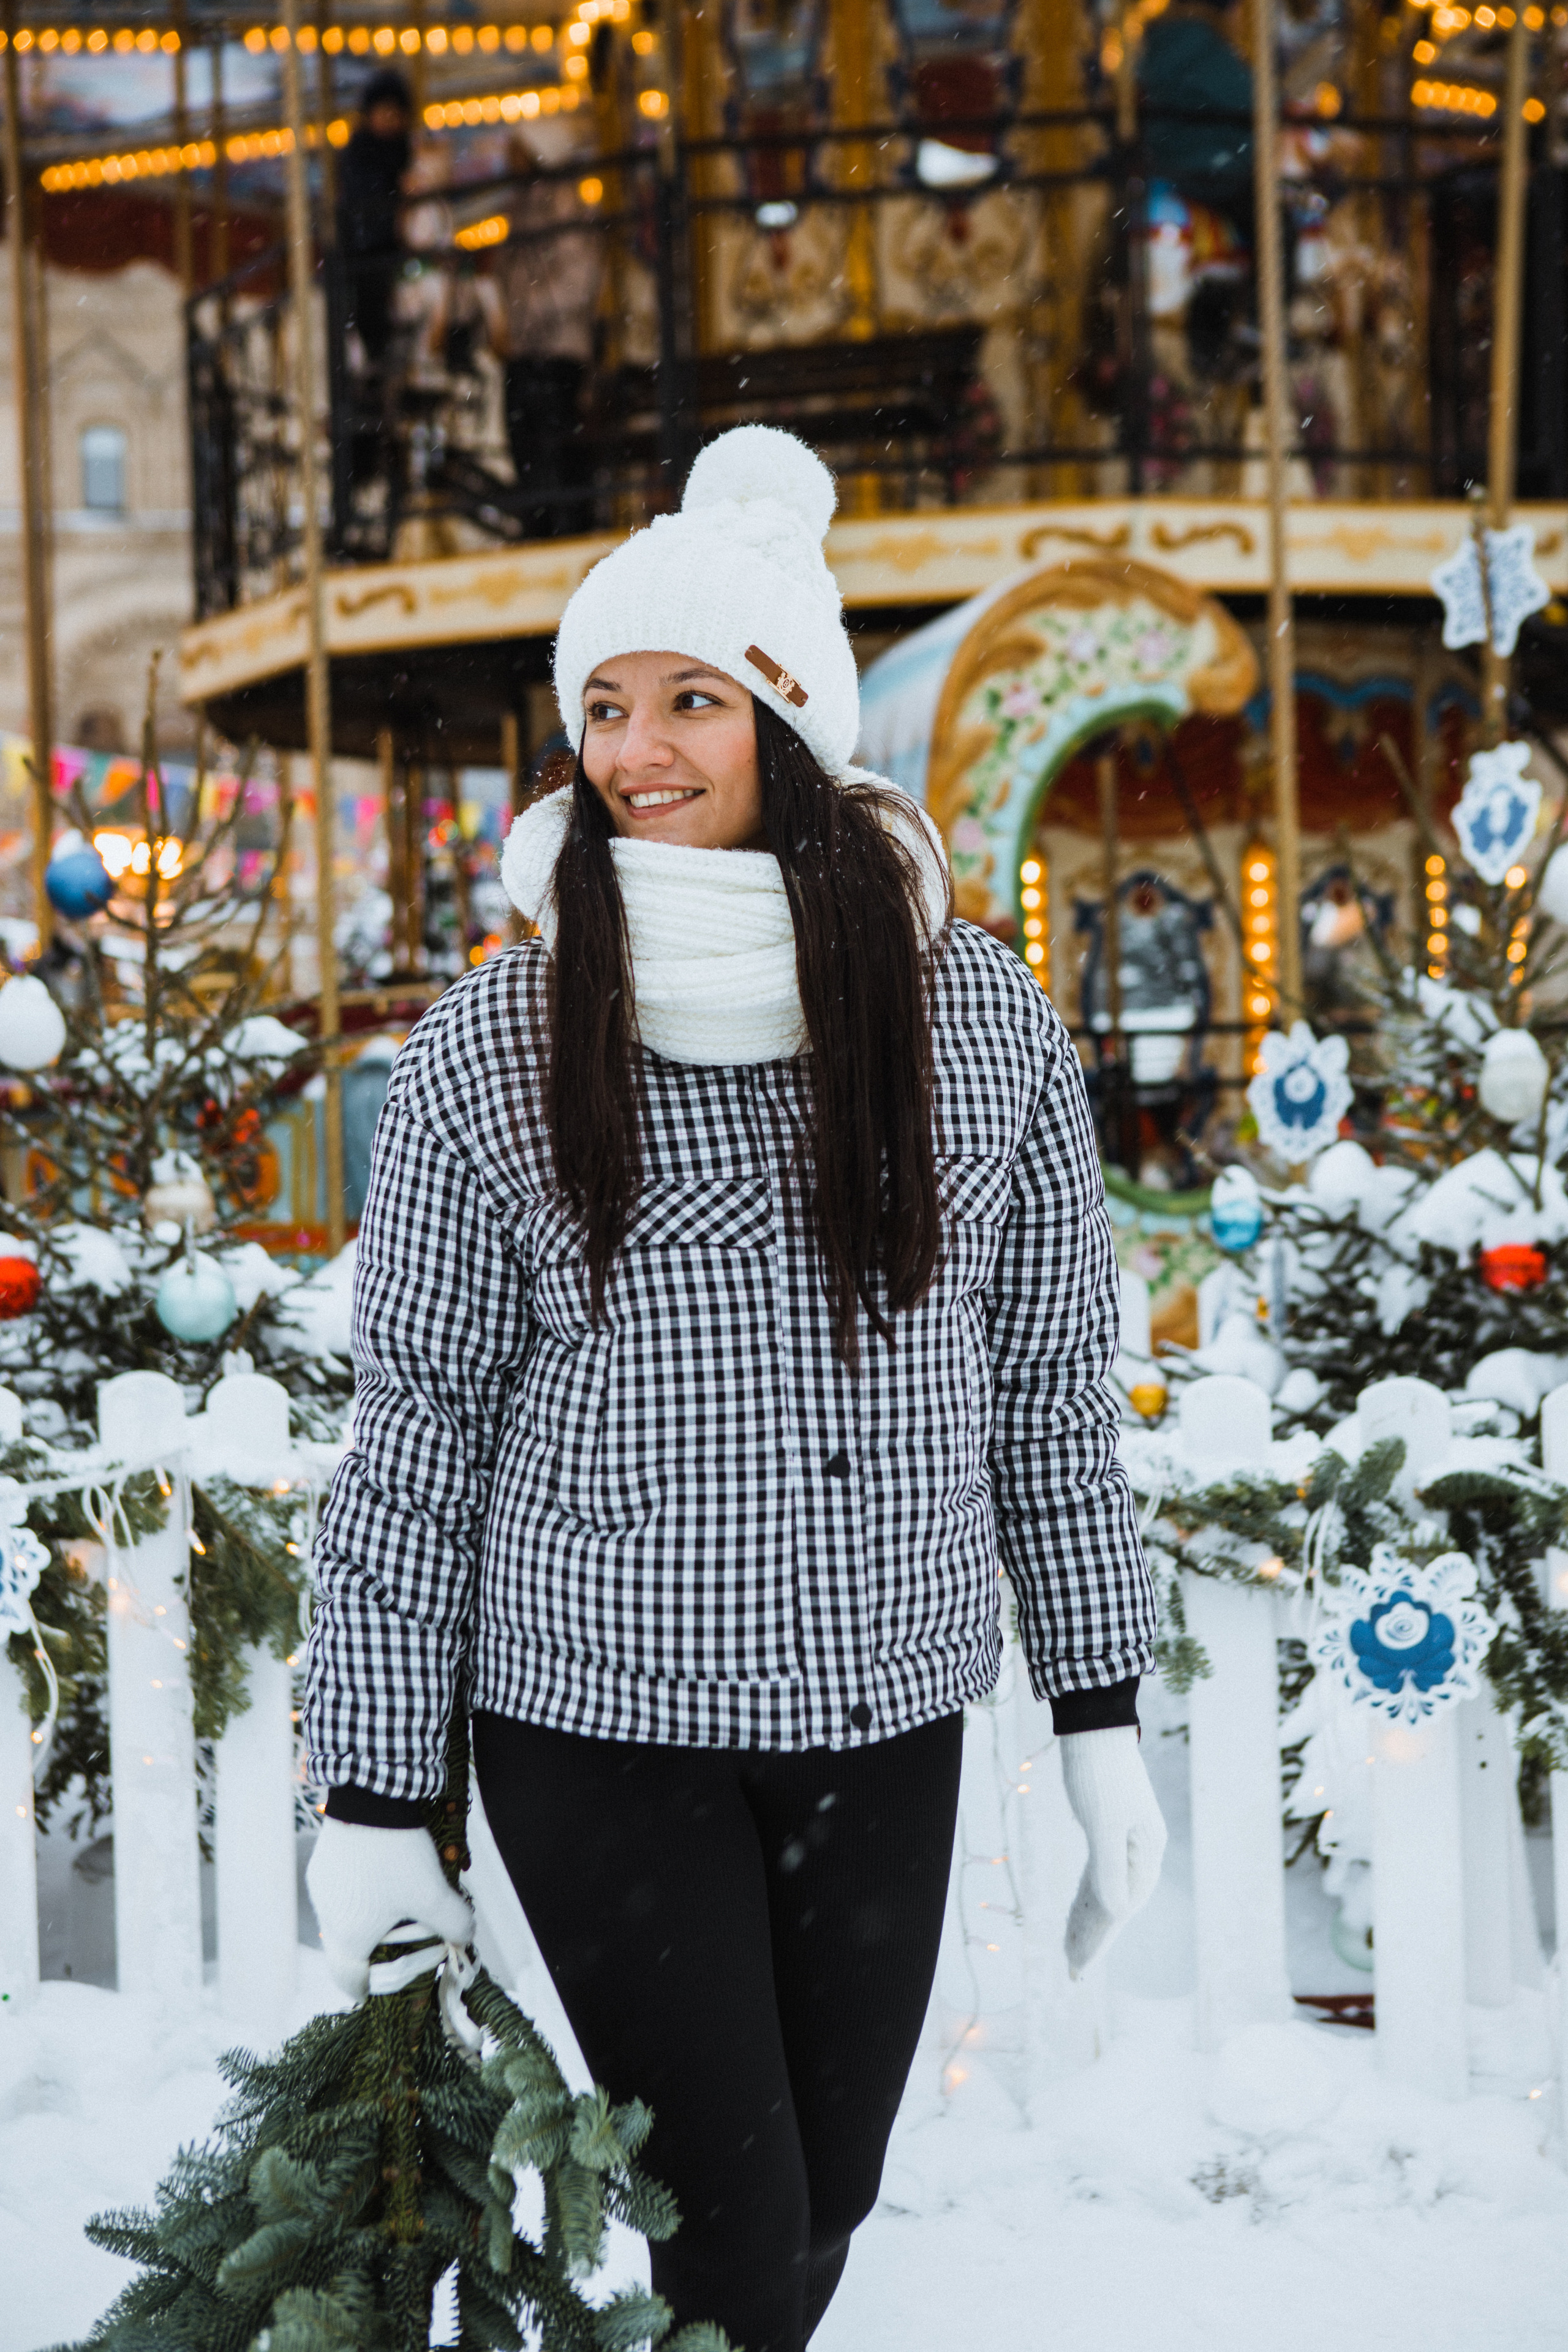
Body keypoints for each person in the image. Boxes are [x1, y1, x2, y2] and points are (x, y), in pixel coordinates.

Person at [302, 423, 1166, 2352]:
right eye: (601, 705)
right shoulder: (501, 1041)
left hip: (884, 1697)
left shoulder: (977, 1025)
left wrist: (1100, 1704)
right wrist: (372, 1782)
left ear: (794, 722)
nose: (635, 751)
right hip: (600, 1711)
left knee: (828, 2195)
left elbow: (1047, 1399)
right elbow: (419, 1424)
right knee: (733, 2223)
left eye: (692, 697)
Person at [490, 134, 604, 537]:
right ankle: (541, 525)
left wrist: (528, 310)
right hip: (530, 350)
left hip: (558, 349)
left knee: (553, 443)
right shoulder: (521, 207)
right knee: (526, 443)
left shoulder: (562, 202)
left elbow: (580, 279)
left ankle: (562, 526)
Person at [336, 67, 414, 370]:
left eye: (395, 113)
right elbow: (364, 202)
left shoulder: (406, 151)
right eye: (384, 112)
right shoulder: (361, 154)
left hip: (387, 249)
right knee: (372, 311)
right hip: (370, 251)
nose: (389, 119)